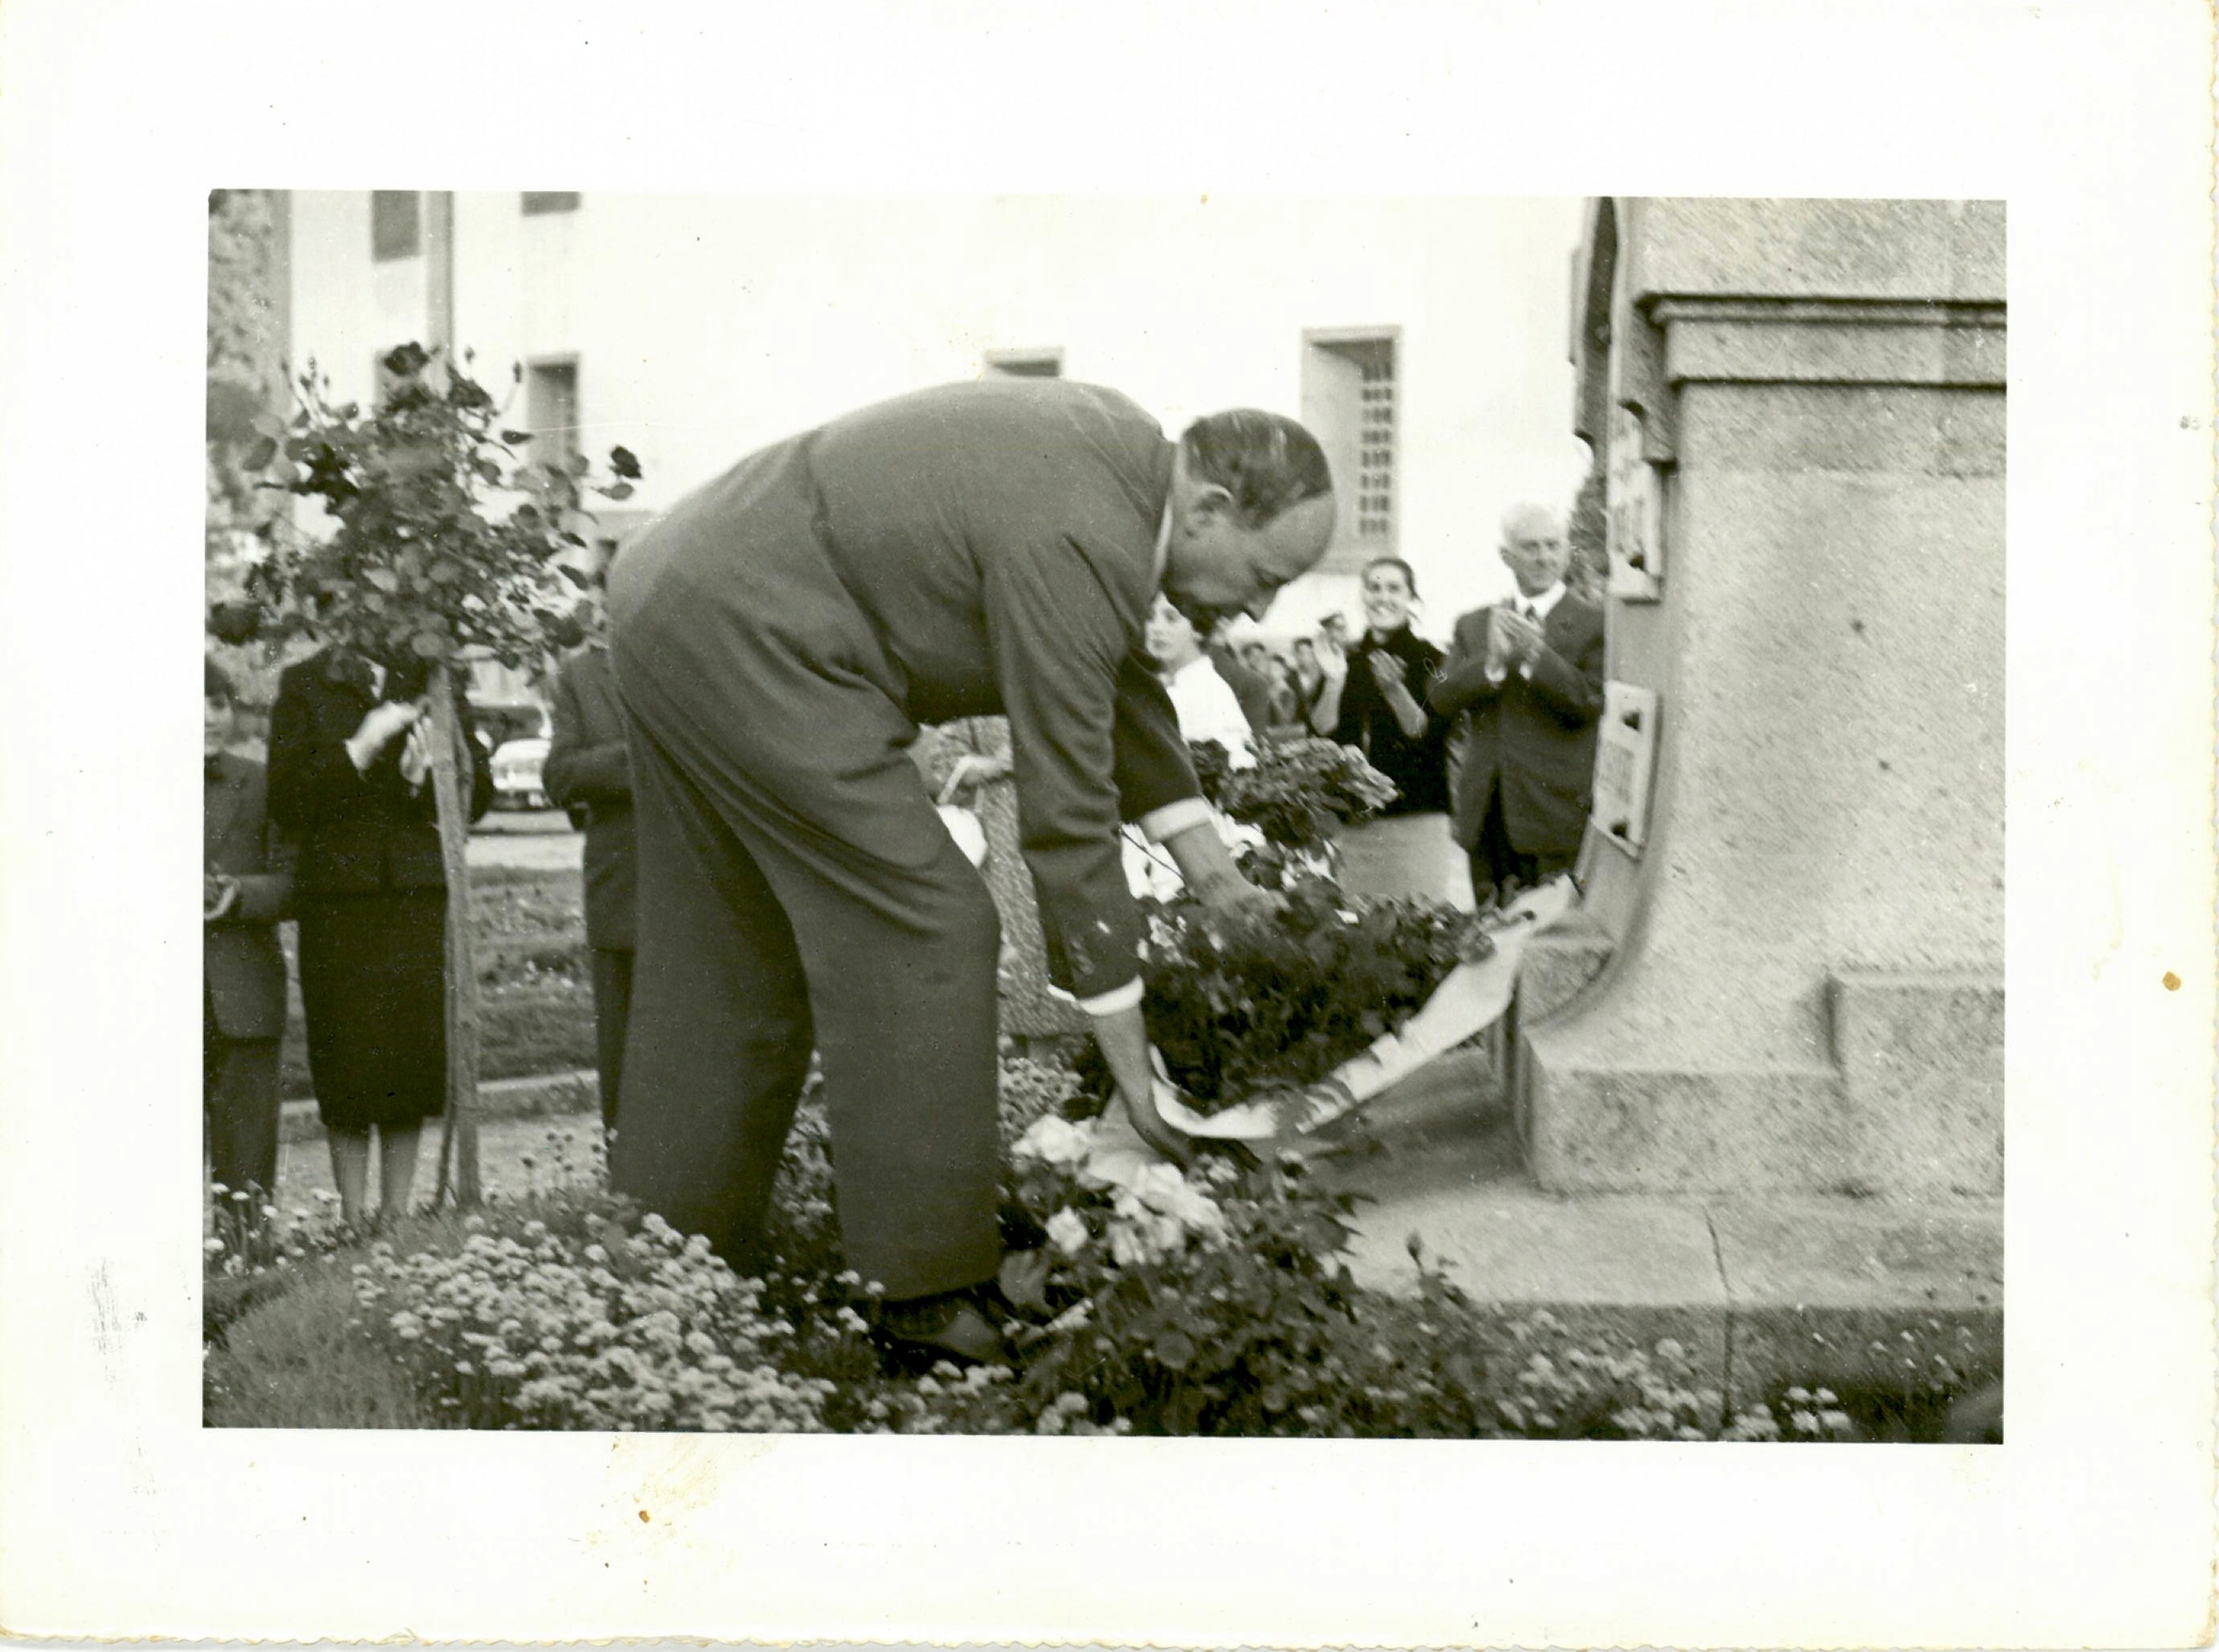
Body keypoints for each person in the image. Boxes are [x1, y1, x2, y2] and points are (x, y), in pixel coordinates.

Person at [605, 379, 1333, 1363]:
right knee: (929, 925)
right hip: (758, 627)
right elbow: (1070, 820)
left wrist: (1220, 881)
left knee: (729, 951)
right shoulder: (1085, 533)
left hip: (676, 591)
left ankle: (664, 1264)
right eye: (1265, 576)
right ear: (1208, 510)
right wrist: (1136, 1075)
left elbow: (1115, 692)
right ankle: (923, 1301)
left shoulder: (1120, 465)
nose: (1257, 609)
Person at [267, 647, 492, 1228]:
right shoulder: (305, 681)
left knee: (408, 1056)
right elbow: (288, 800)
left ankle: (394, 1218)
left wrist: (424, 779)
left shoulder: (434, 676)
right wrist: (361, 747)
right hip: (339, 901)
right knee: (346, 1058)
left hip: (413, 897)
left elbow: (478, 794)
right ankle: (352, 1217)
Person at [1429, 503, 1606, 908]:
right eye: (1530, 547)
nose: (1544, 557)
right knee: (1488, 941)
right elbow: (1438, 698)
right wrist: (1491, 664)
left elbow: (1590, 700)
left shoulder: (1594, 623)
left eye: (1553, 545)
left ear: (1567, 550)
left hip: (1553, 818)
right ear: (1506, 556)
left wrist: (1534, 657)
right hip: (1486, 816)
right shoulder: (1474, 625)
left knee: (1545, 937)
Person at [1308, 556, 1461, 905]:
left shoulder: (1433, 660)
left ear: (1411, 599)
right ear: (1363, 596)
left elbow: (1430, 733)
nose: (1383, 597)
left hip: (1416, 823)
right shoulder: (1346, 660)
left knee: (1421, 928)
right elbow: (1320, 732)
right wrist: (1333, 682)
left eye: (1394, 588)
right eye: (1374, 588)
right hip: (1355, 829)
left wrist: (1395, 692)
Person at [542, 595, 637, 1137]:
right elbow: (560, 774)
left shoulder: (698, 656)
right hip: (623, 893)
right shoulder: (578, 676)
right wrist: (637, 758)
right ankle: (626, 1190)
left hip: (701, 893)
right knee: (623, 1059)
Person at [204, 658, 294, 1207]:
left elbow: (295, 881)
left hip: (245, 993)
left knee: (248, 1167)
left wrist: (239, 893)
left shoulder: (260, 782)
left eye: (218, 704)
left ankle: (248, 1268)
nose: (210, 718)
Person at [1145, 593, 1257, 762]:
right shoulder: (1158, 684)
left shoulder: (1210, 693)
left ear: (1198, 630)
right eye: (1150, 617)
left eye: (1171, 618)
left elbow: (1234, 769)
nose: (1156, 628)